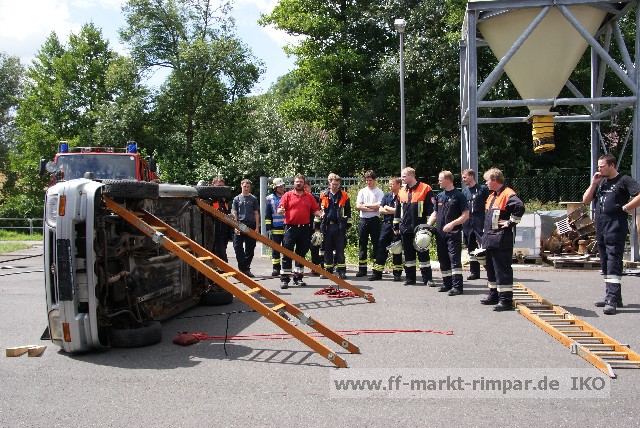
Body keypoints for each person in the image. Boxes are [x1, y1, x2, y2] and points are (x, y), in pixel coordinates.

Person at [582, 154, 640, 315]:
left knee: (614, 260)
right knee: (605, 262)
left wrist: (627, 207)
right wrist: (593, 184)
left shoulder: (624, 180)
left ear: (612, 165)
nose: (599, 169)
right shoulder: (601, 182)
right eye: (598, 167)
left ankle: (612, 299)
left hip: (616, 227)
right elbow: (586, 200)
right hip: (601, 227)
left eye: (602, 166)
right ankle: (613, 296)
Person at [480, 168, 525, 311]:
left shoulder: (507, 193)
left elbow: (519, 207)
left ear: (494, 180)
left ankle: (505, 300)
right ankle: (494, 294)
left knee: (502, 269)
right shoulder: (492, 196)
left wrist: (510, 222)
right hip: (491, 238)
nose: (486, 183)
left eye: (487, 180)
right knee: (491, 268)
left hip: (501, 239)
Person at [277, 173, 323, 289]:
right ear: (294, 183)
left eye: (301, 182)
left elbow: (315, 210)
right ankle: (285, 279)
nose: (299, 183)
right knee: (287, 252)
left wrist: (320, 214)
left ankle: (298, 278)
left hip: (304, 228)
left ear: (304, 183)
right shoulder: (287, 195)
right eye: (297, 182)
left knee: (301, 254)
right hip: (290, 228)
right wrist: (280, 211)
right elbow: (280, 209)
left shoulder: (309, 197)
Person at [427, 171, 469, 295]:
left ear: (448, 179)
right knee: (443, 258)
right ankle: (447, 283)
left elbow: (465, 215)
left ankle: (457, 286)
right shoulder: (440, 196)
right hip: (440, 233)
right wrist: (427, 226)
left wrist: (452, 224)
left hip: (453, 232)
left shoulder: (459, 196)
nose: (438, 182)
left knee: (454, 259)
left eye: (440, 180)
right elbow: (435, 213)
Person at [394, 167, 436, 286]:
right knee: (408, 256)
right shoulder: (401, 191)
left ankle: (428, 279)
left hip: (420, 228)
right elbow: (398, 211)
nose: (402, 178)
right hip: (405, 228)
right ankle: (410, 278)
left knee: (423, 255)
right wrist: (396, 226)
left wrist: (428, 227)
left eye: (404, 176)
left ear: (411, 176)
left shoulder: (425, 188)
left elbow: (430, 210)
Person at [318, 173, 352, 279]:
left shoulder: (344, 195)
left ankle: (341, 271)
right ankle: (328, 271)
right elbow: (319, 211)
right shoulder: (323, 195)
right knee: (327, 250)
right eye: (334, 184)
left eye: (337, 184)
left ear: (339, 184)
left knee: (340, 250)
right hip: (327, 226)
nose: (335, 186)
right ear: (330, 183)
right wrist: (317, 226)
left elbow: (348, 211)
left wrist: (347, 225)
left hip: (339, 226)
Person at [369, 177, 404, 281]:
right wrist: (393, 210)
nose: (390, 186)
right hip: (386, 225)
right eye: (389, 184)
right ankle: (377, 273)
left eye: (392, 184)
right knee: (381, 248)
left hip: (396, 226)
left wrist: (388, 208)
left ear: (398, 185)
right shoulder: (387, 196)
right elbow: (381, 210)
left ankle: (397, 273)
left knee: (396, 249)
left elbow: (401, 211)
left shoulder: (402, 196)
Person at [355, 170, 385, 277]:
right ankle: (362, 269)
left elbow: (379, 205)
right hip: (363, 220)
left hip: (374, 220)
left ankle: (376, 270)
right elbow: (358, 206)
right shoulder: (362, 191)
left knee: (376, 244)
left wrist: (366, 206)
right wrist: (372, 207)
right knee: (362, 244)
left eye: (370, 180)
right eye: (367, 180)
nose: (368, 182)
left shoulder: (379, 192)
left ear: (374, 180)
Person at [461, 169, 490, 280]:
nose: (463, 179)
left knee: (484, 246)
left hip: (479, 220)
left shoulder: (482, 189)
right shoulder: (464, 191)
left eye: (465, 177)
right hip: (468, 222)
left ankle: (490, 269)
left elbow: (489, 203)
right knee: (471, 247)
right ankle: (474, 272)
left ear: (471, 176)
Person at [231, 179, 260, 277]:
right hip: (240, 223)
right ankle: (243, 267)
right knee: (237, 246)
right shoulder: (237, 199)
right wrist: (236, 225)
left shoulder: (253, 199)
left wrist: (257, 227)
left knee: (250, 248)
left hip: (251, 224)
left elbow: (256, 213)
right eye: (244, 186)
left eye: (248, 187)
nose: (246, 188)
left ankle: (245, 269)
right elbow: (234, 213)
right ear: (241, 186)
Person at [265, 178, 286, 276]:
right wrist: (268, 226)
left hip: (287, 226)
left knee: (287, 249)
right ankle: (276, 268)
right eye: (279, 186)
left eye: (282, 186)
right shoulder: (269, 198)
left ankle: (286, 268)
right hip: (275, 227)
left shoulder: (288, 196)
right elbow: (268, 214)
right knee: (275, 249)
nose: (281, 188)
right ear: (275, 187)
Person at [304, 181, 324, 272]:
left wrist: (317, 227)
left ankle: (315, 266)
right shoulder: (300, 198)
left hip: (314, 226)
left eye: (306, 187)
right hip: (304, 226)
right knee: (303, 247)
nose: (304, 189)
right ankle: (300, 266)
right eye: (303, 187)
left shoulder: (316, 198)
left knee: (315, 247)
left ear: (310, 187)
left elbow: (319, 212)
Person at [211, 176, 231, 263]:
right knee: (220, 255)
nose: (220, 189)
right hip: (213, 233)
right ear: (212, 185)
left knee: (222, 252)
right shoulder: (209, 199)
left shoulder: (222, 201)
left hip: (223, 233)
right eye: (218, 186)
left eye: (222, 187)